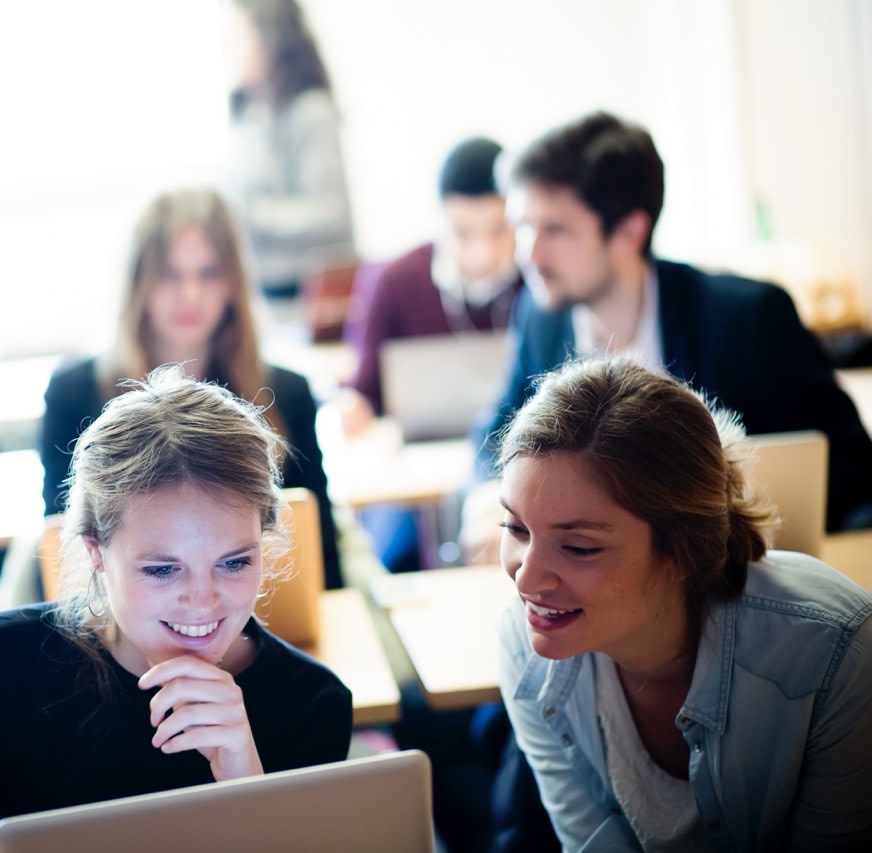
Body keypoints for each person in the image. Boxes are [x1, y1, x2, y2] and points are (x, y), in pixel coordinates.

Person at [0, 367, 354, 851]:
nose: (202, 600)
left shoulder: (311, 703)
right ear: (95, 552)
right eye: (162, 569)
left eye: (234, 562)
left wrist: (245, 779)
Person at [495, 356, 872, 849]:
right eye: (516, 529)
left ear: (680, 552)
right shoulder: (522, 643)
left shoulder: (837, 655)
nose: (526, 577)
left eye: (579, 547)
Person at [462, 110, 872, 563]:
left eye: (554, 229)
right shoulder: (541, 315)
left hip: (730, 579)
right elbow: (499, 425)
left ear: (629, 231)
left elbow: (851, 468)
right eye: (522, 226)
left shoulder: (746, 318)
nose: (529, 254)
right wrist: (486, 492)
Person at [40, 187, 344, 589]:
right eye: (170, 275)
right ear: (140, 284)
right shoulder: (74, 393)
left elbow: (320, 553)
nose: (190, 295)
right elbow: (65, 554)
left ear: (233, 284)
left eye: (208, 273)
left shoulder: (285, 393)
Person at [339, 136, 523, 436]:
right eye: (463, 233)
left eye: (499, 230)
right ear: (440, 218)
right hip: (417, 460)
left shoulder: (538, 279)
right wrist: (349, 411)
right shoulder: (394, 283)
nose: (484, 253)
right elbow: (362, 394)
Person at [223, 0, 357, 300]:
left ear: (271, 41)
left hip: (309, 293)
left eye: (238, 38)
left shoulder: (311, 113)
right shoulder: (250, 117)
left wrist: (246, 215)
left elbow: (331, 215)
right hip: (264, 288)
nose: (228, 51)